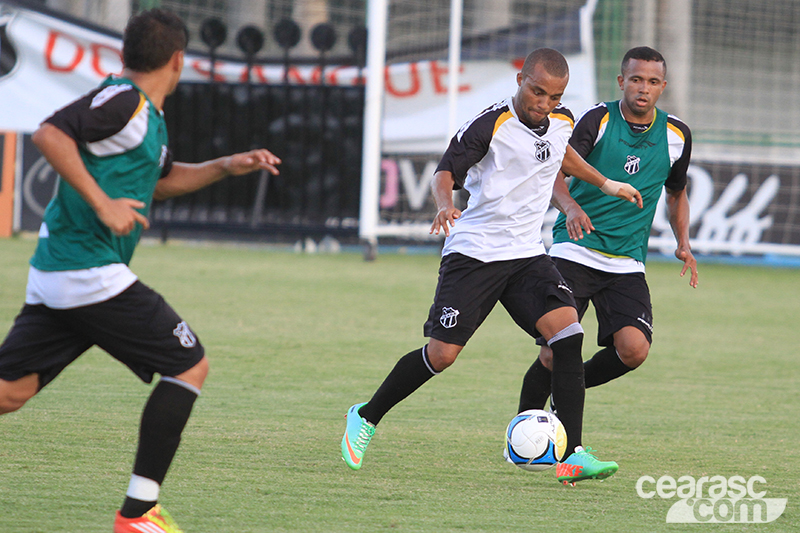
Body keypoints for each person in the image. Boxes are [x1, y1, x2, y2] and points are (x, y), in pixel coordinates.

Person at [0, 9, 281, 533]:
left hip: (63, 274)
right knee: (189, 365)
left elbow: (164, 179)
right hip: (88, 270)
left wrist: (224, 165)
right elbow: (50, 135)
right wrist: (104, 203)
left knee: (9, 393)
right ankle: (137, 515)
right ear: (179, 60)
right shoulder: (124, 100)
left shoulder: (146, 116)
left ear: (126, 52)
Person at [341, 48, 643, 485]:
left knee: (568, 335)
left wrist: (606, 183)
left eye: (553, 96)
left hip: (525, 256)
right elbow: (444, 172)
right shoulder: (490, 125)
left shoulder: (561, 120)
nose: (544, 103)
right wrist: (446, 204)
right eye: (537, 91)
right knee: (442, 355)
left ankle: (573, 453)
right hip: (475, 254)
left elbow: (562, 155)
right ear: (520, 79)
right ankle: (365, 416)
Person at [517, 46, 697, 419]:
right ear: (621, 81)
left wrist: (683, 242)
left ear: (662, 86)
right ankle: (522, 431)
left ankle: (563, 395)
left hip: (627, 261)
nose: (642, 88)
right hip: (575, 250)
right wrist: (571, 207)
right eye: (635, 79)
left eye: (651, 81)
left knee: (634, 350)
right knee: (553, 351)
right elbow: (556, 173)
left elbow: (677, 193)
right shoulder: (596, 120)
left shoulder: (677, 134)